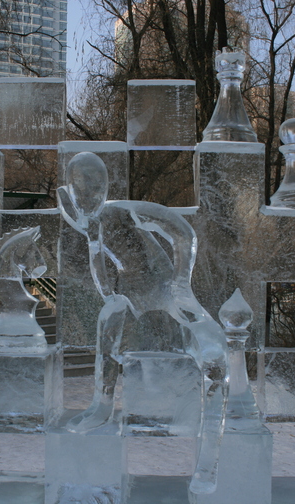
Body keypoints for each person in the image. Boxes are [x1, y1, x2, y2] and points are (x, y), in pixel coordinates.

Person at [57, 152, 229, 494]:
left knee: (212, 348)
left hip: (166, 288)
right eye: (80, 190)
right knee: (109, 319)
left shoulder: (125, 210)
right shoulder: (91, 223)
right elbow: (99, 269)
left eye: (94, 187)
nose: (88, 196)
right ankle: (102, 405)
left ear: (105, 187)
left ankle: (208, 463)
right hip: (132, 292)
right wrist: (111, 295)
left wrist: (181, 282)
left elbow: (183, 232)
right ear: (73, 193)